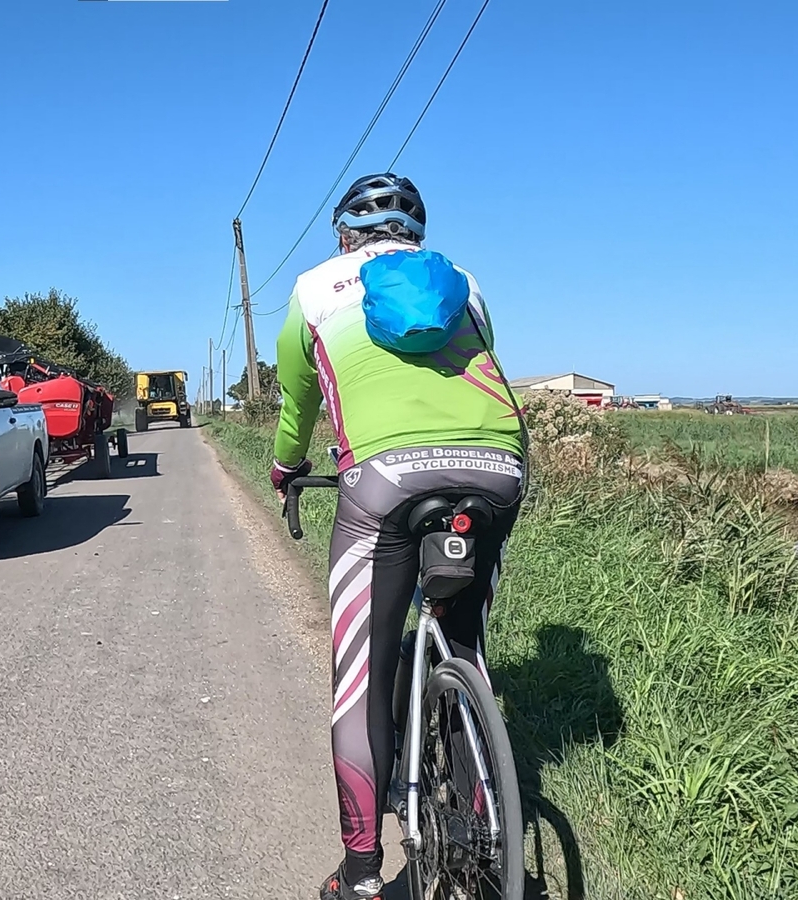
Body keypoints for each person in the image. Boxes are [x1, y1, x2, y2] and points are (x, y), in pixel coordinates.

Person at [268, 173, 529, 900]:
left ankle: (359, 875)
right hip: (497, 465)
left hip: (384, 479)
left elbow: (297, 401)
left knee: (363, 674)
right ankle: (481, 825)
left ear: (344, 234)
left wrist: (286, 467)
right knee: (465, 642)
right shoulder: (463, 283)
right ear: (416, 235)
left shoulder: (314, 289)